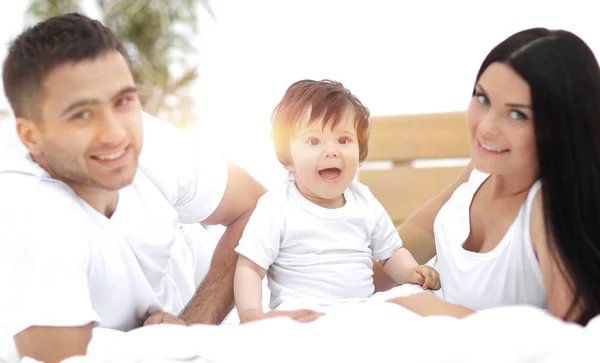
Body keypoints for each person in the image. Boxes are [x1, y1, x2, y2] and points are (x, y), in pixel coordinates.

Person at [0, 12, 269, 363]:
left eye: (123, 100)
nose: (115, 133)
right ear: (31, 137)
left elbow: (260, 208)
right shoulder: (28, 216)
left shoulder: (151, 141)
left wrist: (192, 323)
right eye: (82, 114)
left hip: (203, 305)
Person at [381, 27, 600, 326]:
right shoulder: (480, 171)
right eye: (482, 98)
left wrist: (436, 310)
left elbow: (572, 337)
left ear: (562, 125)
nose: (486, 127)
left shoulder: (545, 206)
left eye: (517, 115)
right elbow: (399, 249)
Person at [233, 79, 440, 323]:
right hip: (302, 314)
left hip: (360, 310)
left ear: (359, 150)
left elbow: (390, 253)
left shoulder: (364, 201)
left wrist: (410, 271)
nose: (331, 151)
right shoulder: (277, 206)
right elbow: (250, 267)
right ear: (288, 158)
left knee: (414, 299)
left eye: (343, 140)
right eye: (313, 141)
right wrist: (251, 313)